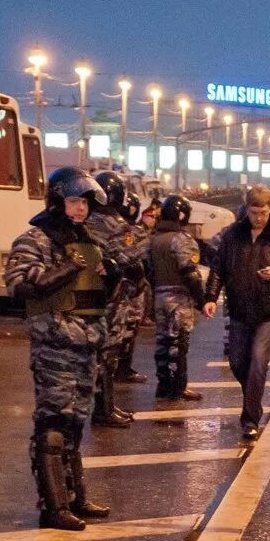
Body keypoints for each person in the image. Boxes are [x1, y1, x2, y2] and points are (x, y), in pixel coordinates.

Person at [4, 167, 116, 531]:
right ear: (55, 201)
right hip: (55, 343)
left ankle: (75, 497)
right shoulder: (34, 239)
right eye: (73, 201)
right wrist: (68, 267)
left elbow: (96, 293)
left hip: (87, 342)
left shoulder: (88, 240)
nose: (80, 209)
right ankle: (54, 506)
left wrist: (109, 273)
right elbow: (20, 285)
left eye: (84, 203)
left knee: (74, 423)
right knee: (53, 423)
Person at [203, 186, 270, 441]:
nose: (259, 217)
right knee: (238, 362)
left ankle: (250, 419)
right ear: (246, 209)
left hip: (267, 310)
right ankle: (252, 395)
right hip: (238, 309)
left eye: (264, 212)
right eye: (254, 212)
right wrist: (211, 298)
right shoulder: (233, 235)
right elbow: (218, 268)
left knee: (258, 363)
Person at [85, 172, 146, 428]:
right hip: (114, 297)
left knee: (98, 354)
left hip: (88, 295)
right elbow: (132, 261)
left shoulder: (84, 221)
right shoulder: (118, 225)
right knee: (109, 355)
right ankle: (104, 409)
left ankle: (106, 406)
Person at [148, 195, 205, 401]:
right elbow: (190, 273)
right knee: (179, 343)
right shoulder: (182, 240)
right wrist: (202, 299)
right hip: (179, 297)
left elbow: (149, 271)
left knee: (162, 342)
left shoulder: (154, 239)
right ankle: (178, 387)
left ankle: (163, 384)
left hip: (159, 295)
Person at [112, 190, 151, 384]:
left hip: (121, 289)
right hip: (129, 290)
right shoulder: (128, 230)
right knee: (126, 330)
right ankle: (122, 369)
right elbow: (140, 257)